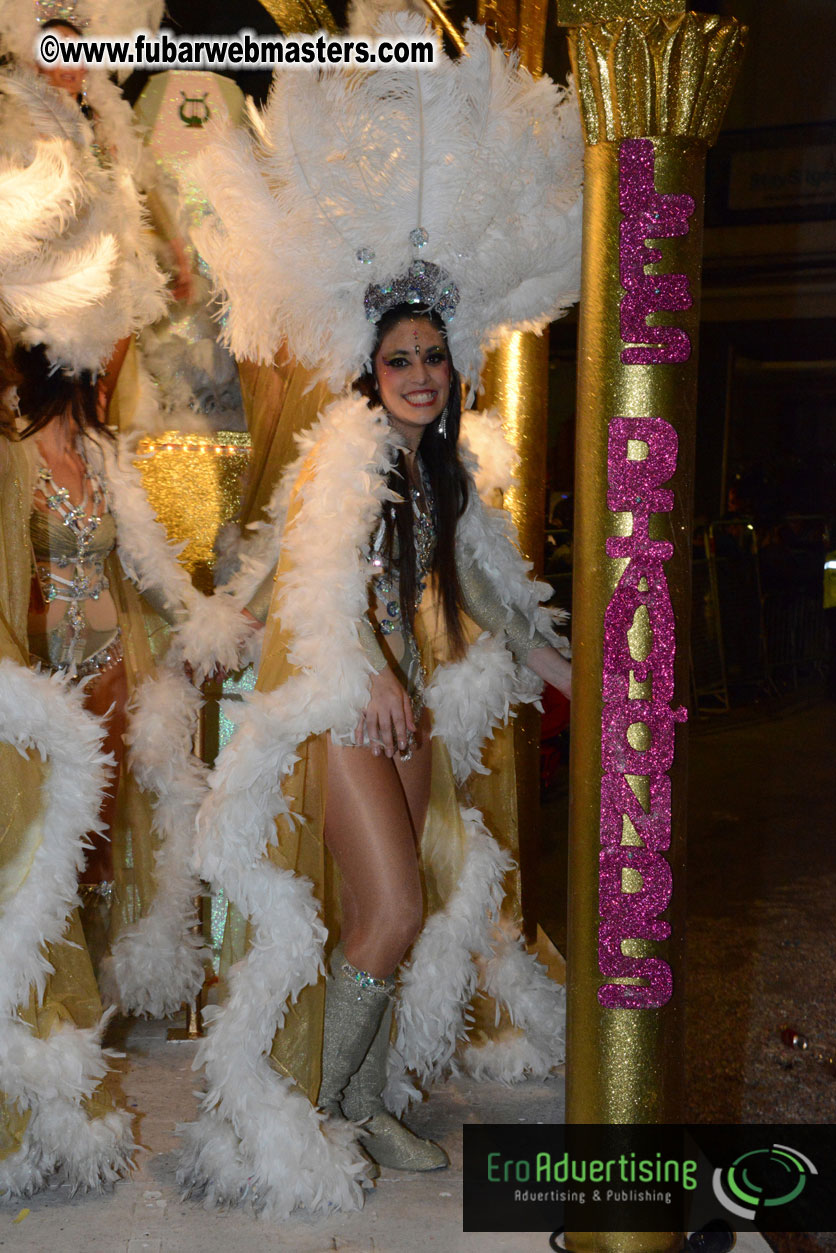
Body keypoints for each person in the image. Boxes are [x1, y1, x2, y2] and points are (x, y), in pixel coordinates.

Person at [178, 15, 583, 1217]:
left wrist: (566, 665)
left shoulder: (443, 471)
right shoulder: (345, 448)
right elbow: (317, 583)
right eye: (400, 358)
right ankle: (307, 1111)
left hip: (396, 702)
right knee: (393, 907)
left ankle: (358, 1096)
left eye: (433, 359)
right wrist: (375, 679)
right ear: (372, 367)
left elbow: (493, 592)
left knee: (387, 911)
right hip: (346, 696)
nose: (417, 374)